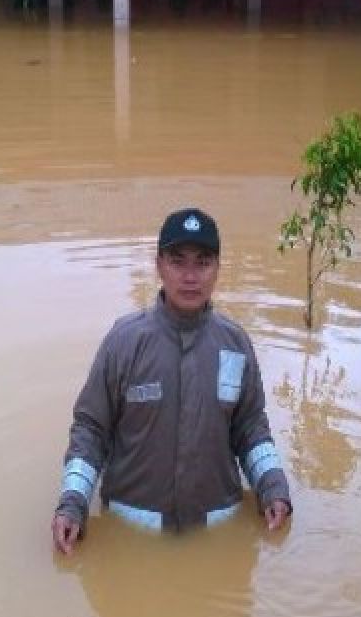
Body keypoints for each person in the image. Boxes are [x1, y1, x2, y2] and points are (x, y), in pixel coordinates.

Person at [51, 208, 292, 553]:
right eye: (178, 261)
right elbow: (91, 429)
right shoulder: (124, 342)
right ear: (159, 265)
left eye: (203, 262)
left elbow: (250, 426)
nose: (190, 276)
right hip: (130, 535)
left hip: (219, 537)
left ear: (218, 269)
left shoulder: (236, 345)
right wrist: (72, 503)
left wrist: (272, 486)